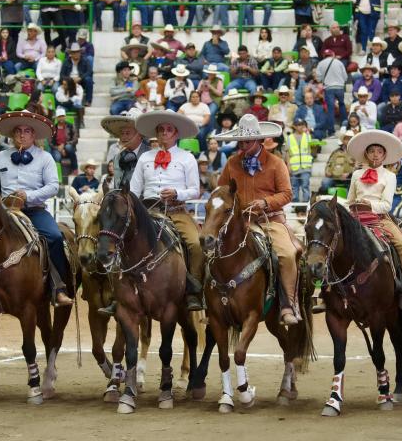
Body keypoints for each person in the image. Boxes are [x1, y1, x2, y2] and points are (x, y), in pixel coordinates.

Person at [215, 114, 301, 325]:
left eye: (247, 141)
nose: (242, 145)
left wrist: (265, 202)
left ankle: (289, 304)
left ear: (260, 140)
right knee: (212, 249)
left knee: (288, 254)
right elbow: (222, 190)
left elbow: (287, 193)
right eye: (241, 141)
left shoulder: (276, 163)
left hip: (270, 219)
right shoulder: (232, 163)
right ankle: (213, 303)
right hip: (239, 221)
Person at [0, 111, 74, 306]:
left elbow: (53, 186)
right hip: (5, 213)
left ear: (34, 135)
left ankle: (58, 287)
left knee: (55, 237)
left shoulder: (45, 157)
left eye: (26, 131)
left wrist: (29, 196)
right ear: (12, 135)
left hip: (34, 211)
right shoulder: (0, 157)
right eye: (18, 131)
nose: (22, 135)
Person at [127, 111, 205, 312]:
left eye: (168, 129)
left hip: (176, 210)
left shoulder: (187, 158)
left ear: (176, 133)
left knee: (196, 244)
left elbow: (196, 190)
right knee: (121, 238)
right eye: (161, 129)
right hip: (148, 212)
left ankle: (192, 292)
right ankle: (121, 290)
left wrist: (177, 192)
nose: (164, 132)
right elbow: (135, 190)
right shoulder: (145, 157)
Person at [345, 129, 402, 310]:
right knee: (332, 241)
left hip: (380, 219)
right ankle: (330, 290)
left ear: (385, 155)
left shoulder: (390, 176)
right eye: (372, 151)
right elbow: (349, 200)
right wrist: (355, 205)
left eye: (379, 152)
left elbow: (386, 205)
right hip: (355, 219)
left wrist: (368, 205)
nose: (375, 155)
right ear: (366, 154)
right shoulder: (356, 175)